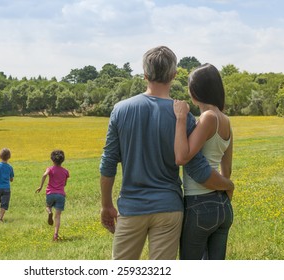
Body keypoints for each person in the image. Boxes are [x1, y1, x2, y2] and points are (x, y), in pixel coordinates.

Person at [99, 46, 234, 260]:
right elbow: (198, 169)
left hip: (132, 207)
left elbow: (107, 164)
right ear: (174, 75)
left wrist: (106, 205)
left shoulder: (120, 110)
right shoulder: (184, 116)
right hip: (169, 209)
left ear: (144, 75)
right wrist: (228, 185)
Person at [173, 63, 234, 260]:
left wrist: (181, 118)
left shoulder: (208, 117)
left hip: (199, 203)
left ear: (196, 90)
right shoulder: (225, 120)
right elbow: (227, 169)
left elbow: (183, 156)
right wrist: (225, 192)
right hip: (223, 206)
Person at [36, 150, 70, 241]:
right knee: (58, 216)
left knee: (48, 206)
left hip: (50, 193)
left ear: (52, 159)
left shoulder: (50, 169)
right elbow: (64, 184)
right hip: (61, 195)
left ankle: (49, 212)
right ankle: (55, 235)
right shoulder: (66, 171)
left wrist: (40, 186)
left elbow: (44, 175)